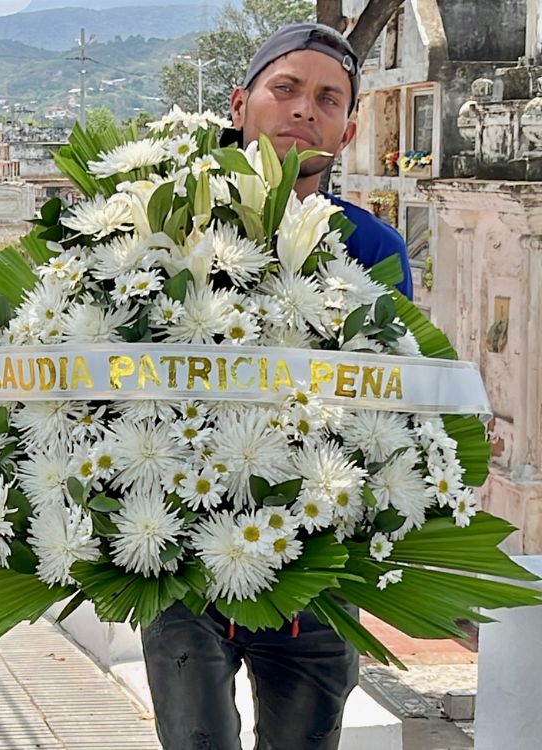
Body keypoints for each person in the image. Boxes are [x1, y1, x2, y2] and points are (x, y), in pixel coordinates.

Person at [137, 23, 413, 750]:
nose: (303, 110)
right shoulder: (166, 226)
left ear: (348, 130)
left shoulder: (375, 249)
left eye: (327, 99)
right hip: (185, 563)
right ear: (239, 104)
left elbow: (390, 394)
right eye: (284, 89)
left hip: (318, 573)